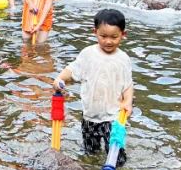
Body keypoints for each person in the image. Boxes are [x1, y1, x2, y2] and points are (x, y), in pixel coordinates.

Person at [54, 9, 134, 159]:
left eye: (114, 37)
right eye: (103, 36)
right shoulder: (88, 54)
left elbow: (128, 85)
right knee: (91, 153)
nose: (108, 41)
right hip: (90, 116)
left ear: (123, 34)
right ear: (95, 32)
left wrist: (128, 102)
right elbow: (72, 70)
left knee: (117, 155)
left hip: (113, 117)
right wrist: (59, 79)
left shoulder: (123, 59)